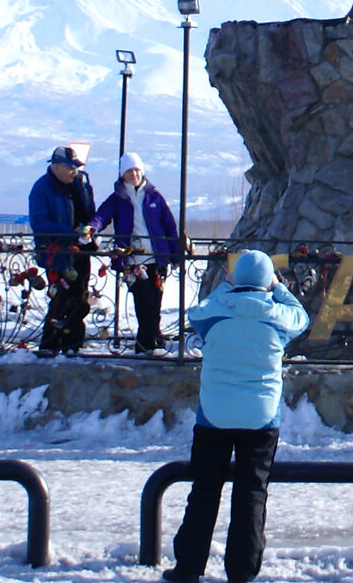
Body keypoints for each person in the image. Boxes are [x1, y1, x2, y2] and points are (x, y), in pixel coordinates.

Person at [163, 249, 308, 583]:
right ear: (267, 281)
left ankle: (188, 567)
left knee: (204, 489)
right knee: (252, 492)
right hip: (260, 417)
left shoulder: (213, 314)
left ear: (235, 279)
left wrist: (227, 286)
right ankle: (242, 571)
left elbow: (195, 313)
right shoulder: (277, 317)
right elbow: (301, 317)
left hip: (215, 414)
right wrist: (278, 287)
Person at [94, 151, 182, 354]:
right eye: (129, 171)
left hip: (157, 259)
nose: (134, 174)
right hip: (132, 261)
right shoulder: (118, 199)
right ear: (122, 174)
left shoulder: (154, 197)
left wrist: (175, 254)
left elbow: (169, 226)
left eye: (136, 170)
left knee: (156, 303)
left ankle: (153, 340)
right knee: (145, 303)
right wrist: (92, 228)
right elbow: (101, 216)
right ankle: (145, 345)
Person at [27, 142, 96, 355]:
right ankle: (50, 344)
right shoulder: (42, 189)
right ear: (56, 166)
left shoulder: (79, 185)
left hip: (80, 250)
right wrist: (69, 232)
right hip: (56, 252)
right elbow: (39, 223)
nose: (73, 171)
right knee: (61, 298)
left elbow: (89, 213)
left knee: (81, 297)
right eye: (69, 166)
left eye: (75, 166)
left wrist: (86, 230)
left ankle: (73, 344)